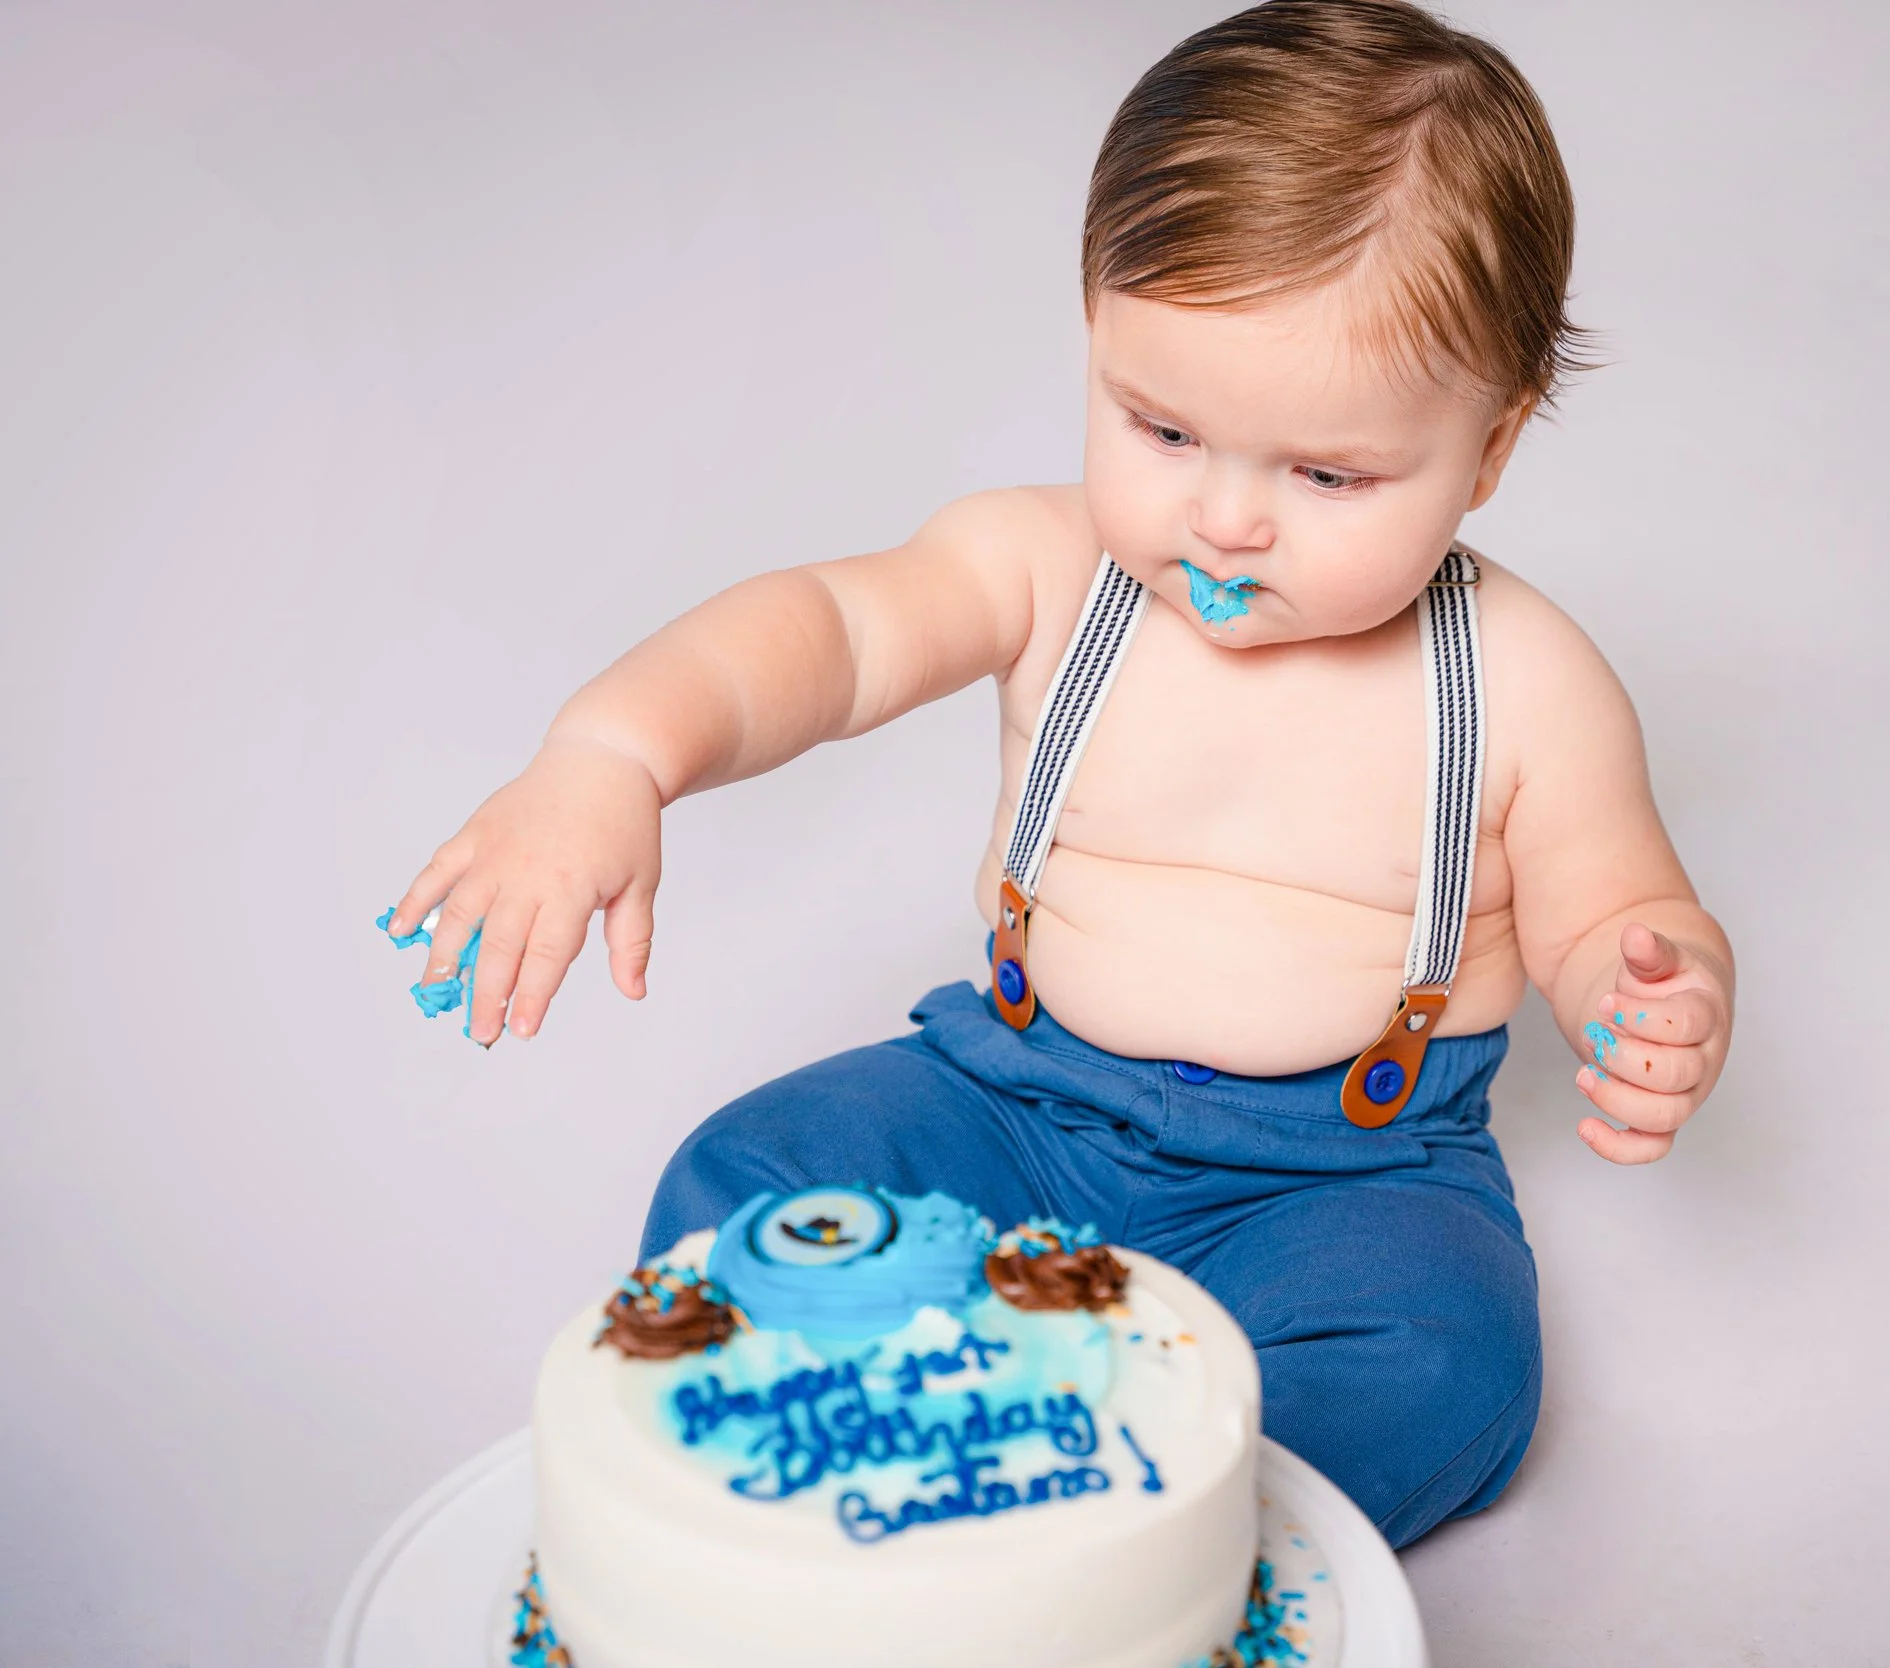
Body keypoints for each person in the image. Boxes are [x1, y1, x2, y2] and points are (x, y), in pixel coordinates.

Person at [385, 0, 1733, 1548]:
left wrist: (1657, 987)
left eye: (1326, 475)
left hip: (1343, 1180)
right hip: (1016, 1109)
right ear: (1094, 339)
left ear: (1487, 452)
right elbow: (828, 630)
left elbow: (1613, 900)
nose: (1226, 520)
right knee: (753, 1174)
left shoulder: (1525, 679)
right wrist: (614, 751)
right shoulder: (1044, 565)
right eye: (1162, 426)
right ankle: (876, 1487)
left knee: (1444, 1361)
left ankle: (1121, 1547)